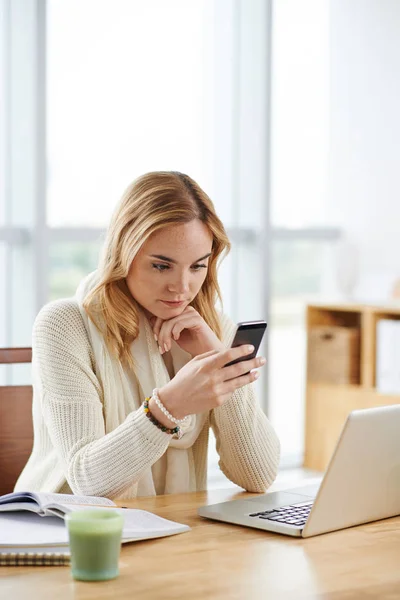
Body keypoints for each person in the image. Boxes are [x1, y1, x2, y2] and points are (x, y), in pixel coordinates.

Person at [15, 171, 280, 499]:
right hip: (65, 530)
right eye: (161, 266)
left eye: (197, 266)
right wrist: (169, 406)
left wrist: (223, 369)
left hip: (172, 530)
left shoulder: (213, 329)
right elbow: (88, 484)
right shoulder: (64, 326)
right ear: (123, 254)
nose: (182, 287)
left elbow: (259, 475)